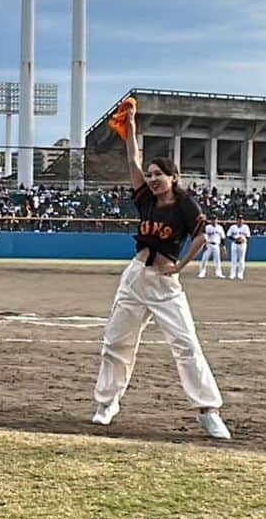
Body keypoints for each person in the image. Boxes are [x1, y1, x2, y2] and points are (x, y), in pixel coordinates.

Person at [93, 109, 230, 439]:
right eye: (151, 174)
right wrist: (132, 127)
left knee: (186, 344)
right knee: (116, 342)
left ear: (174, 177)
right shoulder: (146, 200)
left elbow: (201, 236)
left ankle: (208, 410)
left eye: (160, 174)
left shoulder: (185, 205)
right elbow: (132, 162)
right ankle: (107, 403)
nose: (153, 178)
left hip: (165, 283)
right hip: (135, 278)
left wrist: (181, 266)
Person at [226, 214, 250, 280]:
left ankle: (240, 274)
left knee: (241, 260)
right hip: (234, 244)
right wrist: (235, 240)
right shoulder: (232, 227)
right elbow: (228, 236)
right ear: (236, 220)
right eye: (239, 219)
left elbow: (248, 236)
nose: (240, 220)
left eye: (241, 219)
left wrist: (243, 240)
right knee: (234, 259)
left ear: (243, 220)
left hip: (243, 244)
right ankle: (232, 274)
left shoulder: (246, 227)